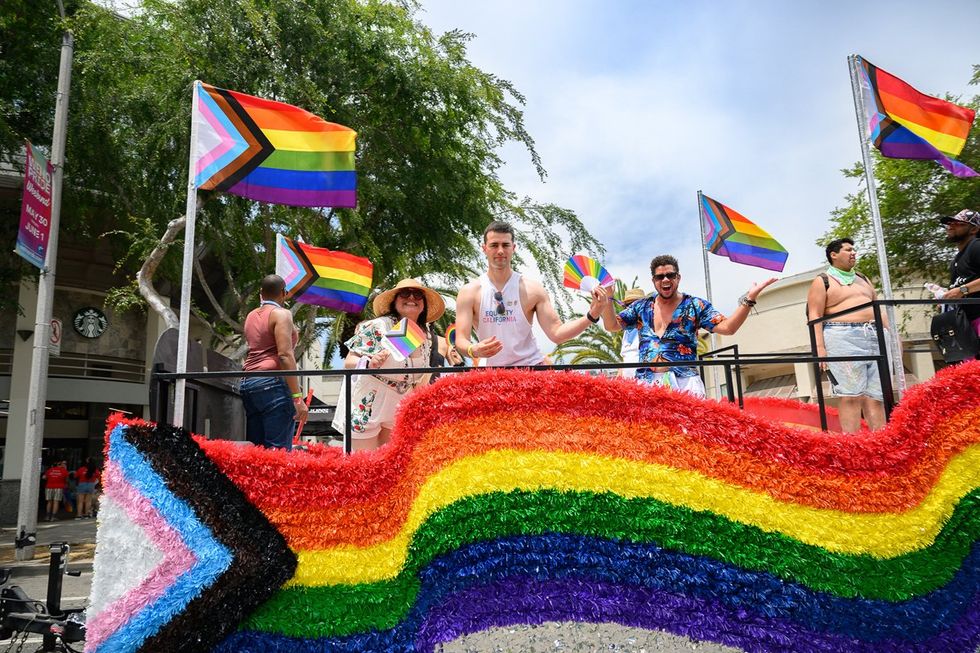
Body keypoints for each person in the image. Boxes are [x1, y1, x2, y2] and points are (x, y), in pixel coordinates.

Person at [599, 254, 776, 397]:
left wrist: (749, 300)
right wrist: (606, 299)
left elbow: (728, 328)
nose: (665, 280)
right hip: (647, 383)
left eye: (670, 275)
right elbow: (611, 325)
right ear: (654, 281)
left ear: (678, 277)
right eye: (660, 277)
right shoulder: (641, 307)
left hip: (685, 383)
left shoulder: (695, 306)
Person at [455, 221, 606, 366]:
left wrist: (592, 315)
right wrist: (473, 349)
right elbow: (461, 339)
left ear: (513, 248)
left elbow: (557, 333)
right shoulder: (469, 292)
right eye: (494, 245)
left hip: (531, 367)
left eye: (505, 245)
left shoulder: (533, 289)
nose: (500, 251)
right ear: (484, 248)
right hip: (491, 372)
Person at [332, 279, 445, 450]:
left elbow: (420, 378)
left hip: (400, 403)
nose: (411, 298)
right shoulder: (379, 326)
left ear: (424, 304)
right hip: (370, 400)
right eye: (405, 293)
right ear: (394, 301)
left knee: (390, 461)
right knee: (366, 462)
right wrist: (369, 363)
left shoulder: (424, 336)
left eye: (418, 295)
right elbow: (349, 362)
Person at [806, 238, 889, 433]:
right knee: (850, 396)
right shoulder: (822, 280)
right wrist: (819, 348)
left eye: (854, 249)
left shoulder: (863, 278)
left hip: (875, 334)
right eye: (848, 250)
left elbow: (878, 309)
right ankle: (851, 444)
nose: (853, 253)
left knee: (876, 397)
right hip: (842, 336)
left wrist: (893, 337)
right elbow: (814, 315)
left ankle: (880, 442)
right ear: (833, 255)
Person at [240, 274, 307, 451]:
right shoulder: (281, 314)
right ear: (284, 293)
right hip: (273, 384)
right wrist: (297, 397)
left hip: (248, 383)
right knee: (278, 452)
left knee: (257, 451)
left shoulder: (251, 316)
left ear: (260, 293)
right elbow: (284, 355)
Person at [940, 209, 980, 339]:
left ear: (974, 229)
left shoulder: (976, 246)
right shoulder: (957, 259)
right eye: (949, 223)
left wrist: (961, 290)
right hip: (967, 322)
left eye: (958, 223)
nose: (951, 226)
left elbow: (962, 289)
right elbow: (959, 288)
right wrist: (946, 296)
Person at [619, 288, 647, 379]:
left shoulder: (650, 327)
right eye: (628, 305)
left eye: (636, 304)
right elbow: (626, 357)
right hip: (628, 383)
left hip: (645, 381)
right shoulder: (626, 331)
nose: (632, 308)